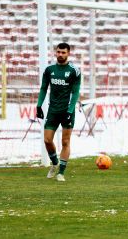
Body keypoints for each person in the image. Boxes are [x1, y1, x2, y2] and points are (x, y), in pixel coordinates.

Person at [36, 42, 81, 182]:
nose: (60, 55)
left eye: (63, 52)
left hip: (67, 110)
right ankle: (55, 163)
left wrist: (70, 109)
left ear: (68, 53)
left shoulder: (74, 70)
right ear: (56, 52)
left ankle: (61, 172)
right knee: (47, 140)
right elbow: (44, 88)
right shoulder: (49, 69)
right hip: (53, 110)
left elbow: (75, 92)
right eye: (58, 52)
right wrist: (38, 105)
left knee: (65, 141)